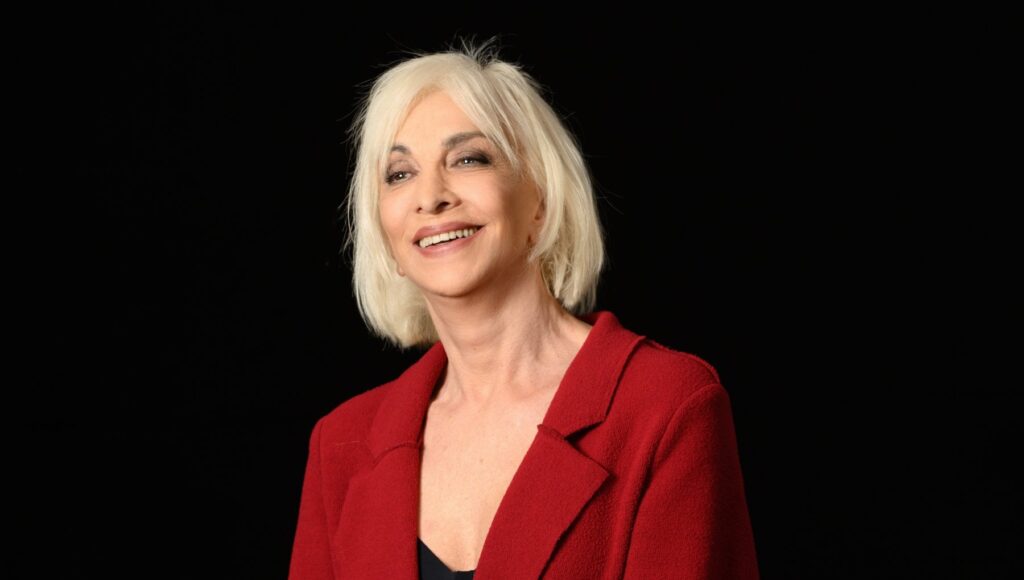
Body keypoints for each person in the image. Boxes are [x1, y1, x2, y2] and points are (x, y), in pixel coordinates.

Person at [288, 37, 759, 579]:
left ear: (540, 199)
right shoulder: (340, 444)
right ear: (384, 232)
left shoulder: (668, 406)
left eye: (468, 159)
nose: (431, 196)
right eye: (399, 174)